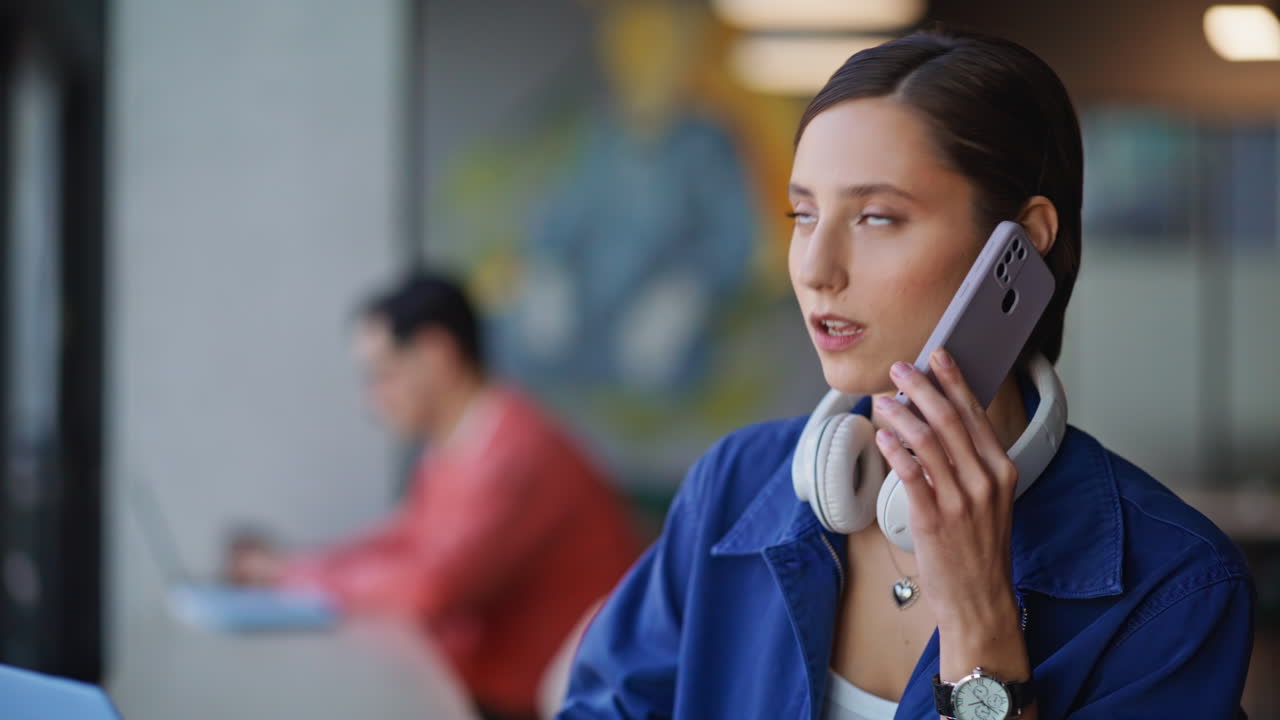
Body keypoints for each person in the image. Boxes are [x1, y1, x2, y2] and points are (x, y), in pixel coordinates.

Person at [555, 29, 1254, 720]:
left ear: (1023, 241)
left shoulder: (1174, 584)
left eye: (878, 217)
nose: (815, 269)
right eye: (803, 214)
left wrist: (981, 627)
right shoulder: (734, 487)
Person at [228, 270, 641, 720]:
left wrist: (289, 578)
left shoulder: (516, 452)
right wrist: (290, 569)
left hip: (539, 706)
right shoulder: (458, 443)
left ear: (436, 354)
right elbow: (404, 540)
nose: (372, 401)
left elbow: (431, 585)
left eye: (382, 376)